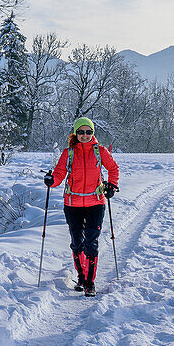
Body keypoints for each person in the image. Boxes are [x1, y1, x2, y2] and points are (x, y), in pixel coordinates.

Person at [44, 118, 120, 296]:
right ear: (76, 133)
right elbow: (59, 174)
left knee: (91, 244)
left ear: (93, 133)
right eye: (81, 132)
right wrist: (51, 181)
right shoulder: (68, 153)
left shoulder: (100, 151)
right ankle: (81, 276)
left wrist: (111, 185)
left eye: (88, 132)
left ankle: (89, 283)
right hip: (73, 204)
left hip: (96, 203)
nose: (85, 135)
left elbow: (114, 169)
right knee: (77, 243)